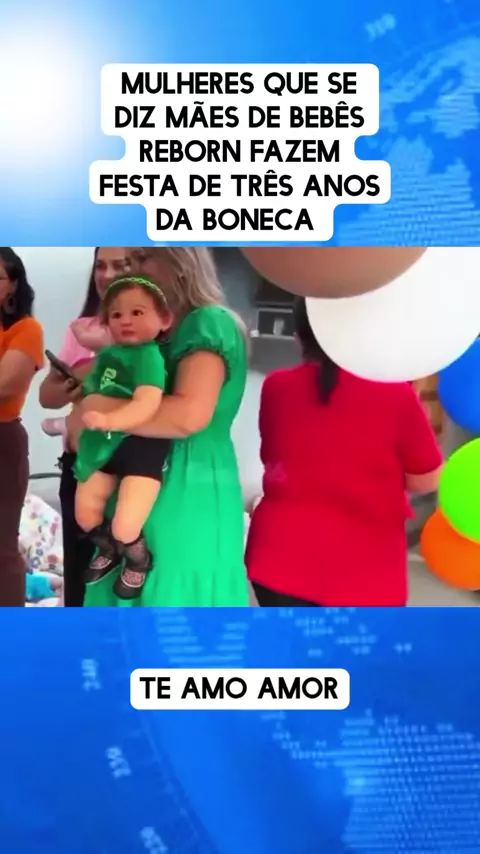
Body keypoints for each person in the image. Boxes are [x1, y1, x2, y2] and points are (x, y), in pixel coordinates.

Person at [78, 247, 249, 607]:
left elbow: (187, 415)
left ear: (181, 262)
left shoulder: (207, 321)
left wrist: (97, 409)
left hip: (186, 488)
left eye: (142, 258)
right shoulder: (150, 336)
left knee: (171, 606)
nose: (129, 269)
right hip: (139, 479)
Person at [245, 298, 443, 607]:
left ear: (300, 336)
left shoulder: (276, 387)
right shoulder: (395, 394)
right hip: (362, 574)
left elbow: (276, 459)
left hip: (276, 561)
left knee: (288, 639)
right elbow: (426, 479)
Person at [39, 247, 130, 606]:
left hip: (129, 471)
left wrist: (91, 369)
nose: (107, 275)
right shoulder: (82, 328)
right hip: (78, 467)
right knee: (79, 575)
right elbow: (47, 395)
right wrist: (69, 382)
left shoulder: (149, 330)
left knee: (120, 578)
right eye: (100, 266)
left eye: (119, 265)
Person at [75, 277, 173, 599]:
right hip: (102, 443)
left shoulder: (149, 357)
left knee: (125, 525)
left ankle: (138, 559)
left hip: (142, 445)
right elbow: (89, 395)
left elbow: (147, 404)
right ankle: (111, 549)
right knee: (85, 516)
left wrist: (109, 419)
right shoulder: (107, 355)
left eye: (137, 312)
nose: (125, 320)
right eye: (116, 315)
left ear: (164, 320)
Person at [0, 248, 44, 606]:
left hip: (3, 441)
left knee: (1, 548)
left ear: (13, 285)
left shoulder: (26, 329)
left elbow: (5, 384)